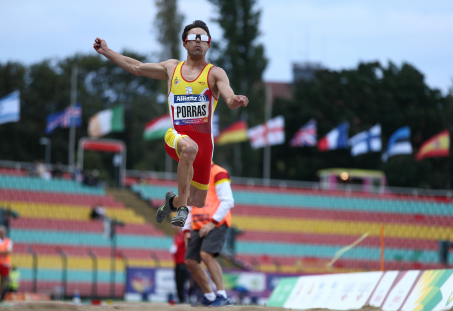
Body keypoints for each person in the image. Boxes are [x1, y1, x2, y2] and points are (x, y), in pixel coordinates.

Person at [93, 20, 248, 227]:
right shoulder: (171, 68)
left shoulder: (215, 73)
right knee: (189, 148)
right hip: (176, 137)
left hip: (204, 148)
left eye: (203, 38)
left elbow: (229, 98)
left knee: (198, 200)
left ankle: (172, 202)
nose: (198, 41)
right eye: (193, 37)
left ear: (209, 45)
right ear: (185, 43)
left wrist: (235, 100)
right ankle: (182, 210)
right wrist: (107, 51)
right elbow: (137, 67)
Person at [182, 163, 234, 306]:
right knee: (190, 260)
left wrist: (213, 223)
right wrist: (186, 230)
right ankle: (209, 296)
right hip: (198, 225)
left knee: (206, 254)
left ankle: (222, 295)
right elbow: (188, 205)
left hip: (217, 223)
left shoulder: (219, 173)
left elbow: (228, 201)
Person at [170, 227, 189, 303]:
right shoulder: (175, 236)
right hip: (177, 262)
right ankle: (180, 297)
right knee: (178, 281)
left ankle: (183, 297)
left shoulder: (184, 235)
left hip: (183, 262)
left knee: (182, 281)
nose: (175, 228)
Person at [0, 226, 13, 300]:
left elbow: (9, 251)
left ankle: (1, 296)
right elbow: (7, 251)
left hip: (5, 263)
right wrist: (4, 251)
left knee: (3, 280)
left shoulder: (9, 241)